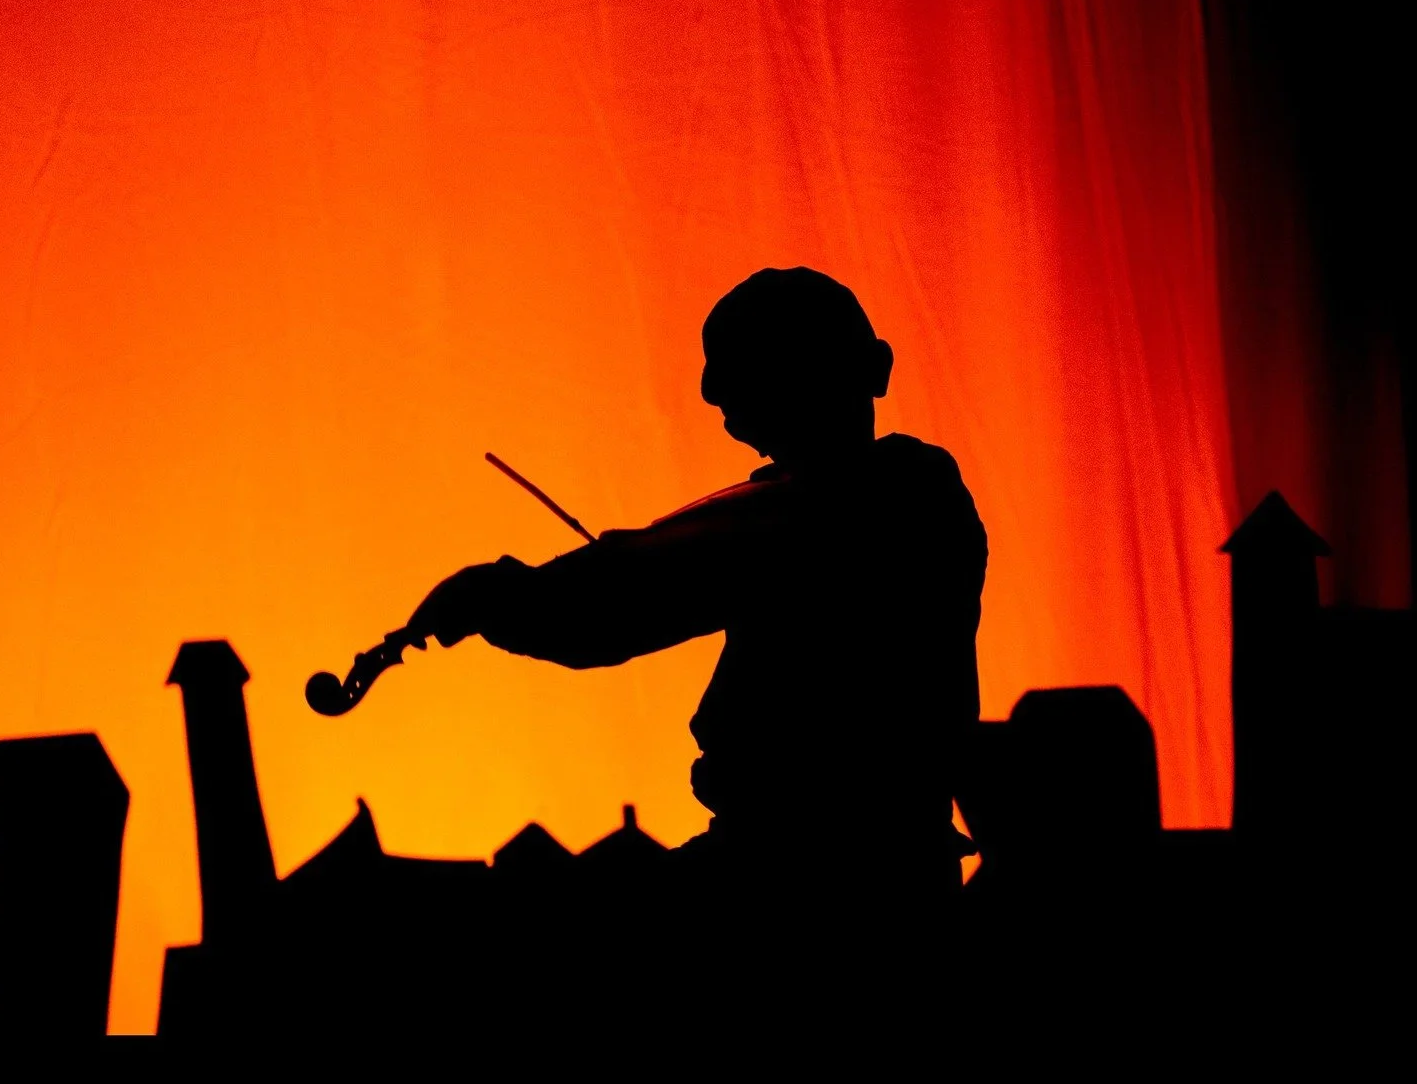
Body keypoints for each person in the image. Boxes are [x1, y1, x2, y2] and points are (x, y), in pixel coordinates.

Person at [411, 268, 987, 894]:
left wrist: (498, 597)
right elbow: (656, 580)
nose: (716, 399)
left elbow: (630, 598)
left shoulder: (883, 496)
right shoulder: (867, 497)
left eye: (752, 377)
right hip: (838, 857)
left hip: (815, 872)